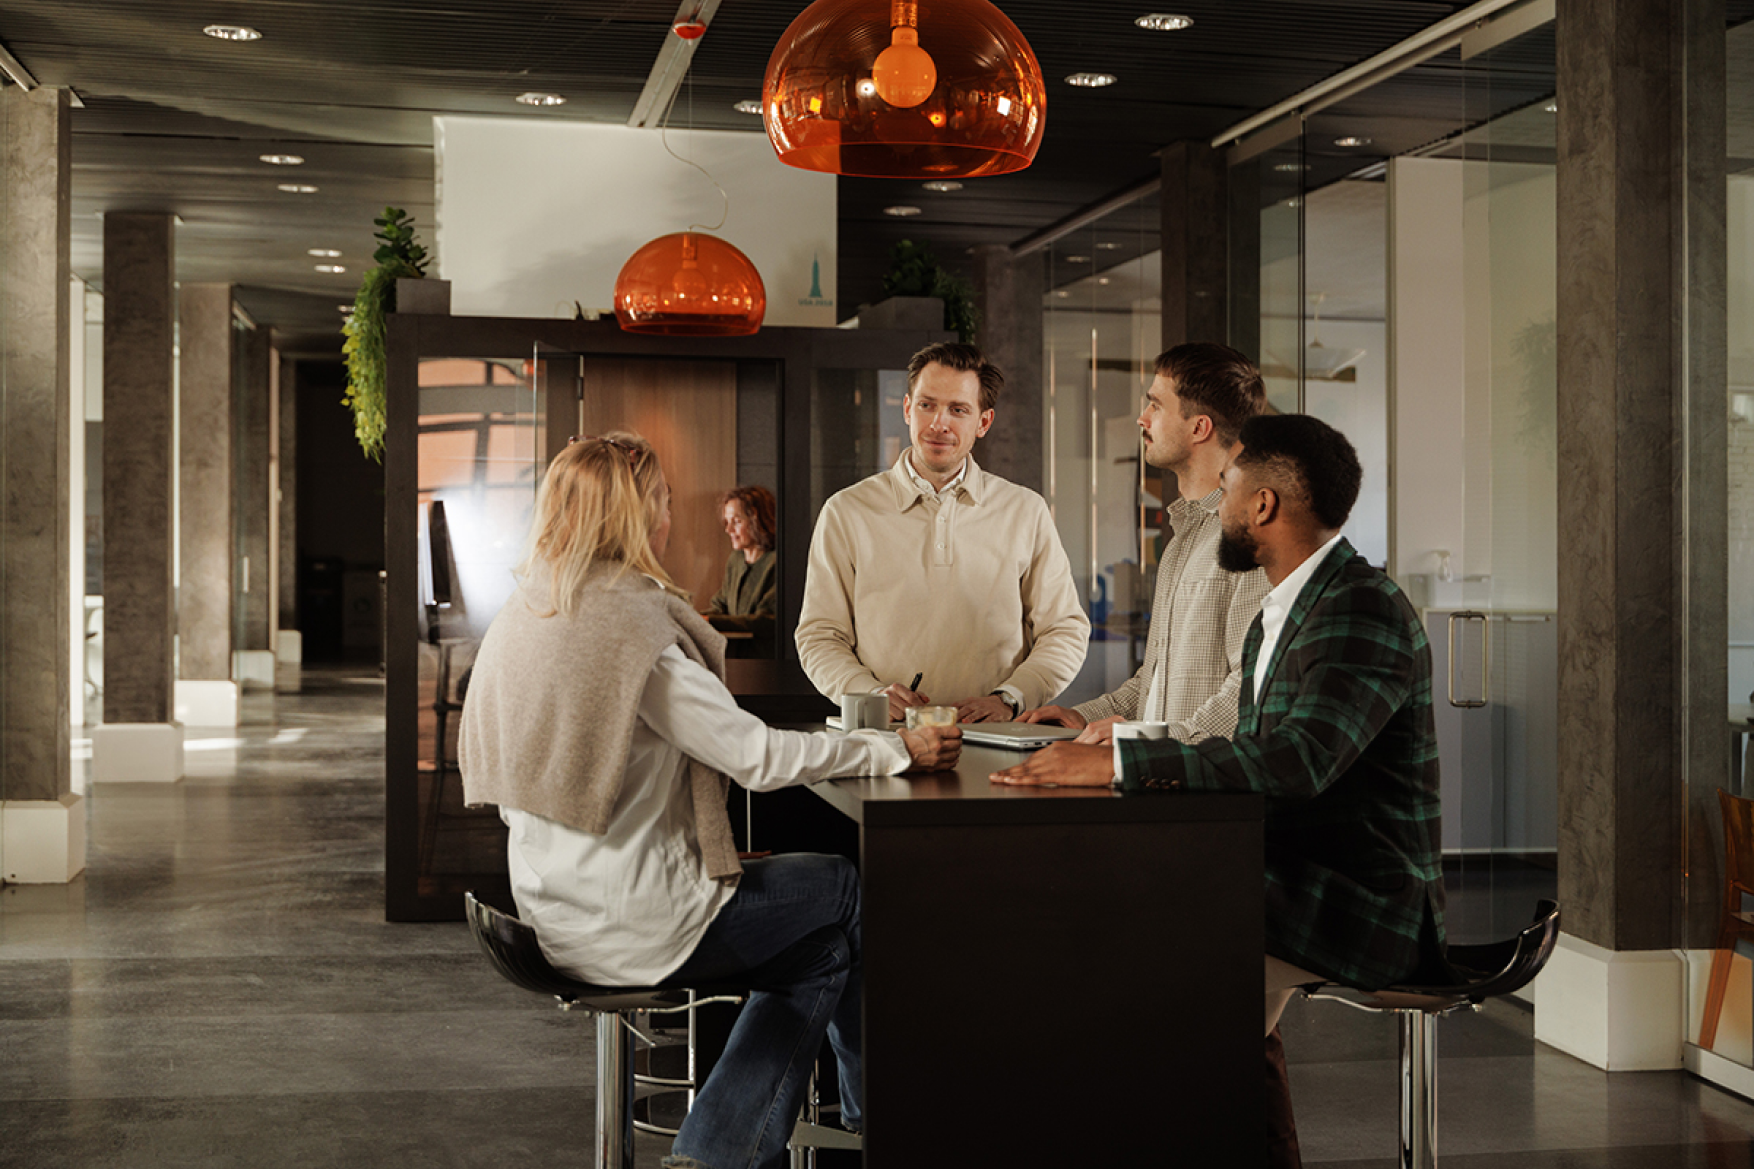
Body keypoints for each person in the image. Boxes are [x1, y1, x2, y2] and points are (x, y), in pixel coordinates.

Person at [459, 432, 960, 1169]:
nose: (670, 516)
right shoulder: (636, 635)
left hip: (548, 905)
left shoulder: (527, 613)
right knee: (845, 886)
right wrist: (895, 748)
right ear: (633, 517)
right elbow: (757, 756)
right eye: (661, 500)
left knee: (821, 952)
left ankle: (713, 1155)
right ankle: (871, 1126)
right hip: (633, 921)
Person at [992, 414, 1448, 1169]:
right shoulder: (1285, 611)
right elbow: (1254, 752)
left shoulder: (1359, 608)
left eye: (1231, 486)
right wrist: (1125, 748)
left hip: (1363, 901)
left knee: (1140, 962)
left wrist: (1119, 766)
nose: (1221, 504)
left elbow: (1297, 762)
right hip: (1293, 877)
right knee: (1129, 933)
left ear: (1263, 504)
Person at [797, 341, 1090, 723]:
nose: (939, 423)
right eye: (926, 405)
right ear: (907, 409)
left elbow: (1064, 630)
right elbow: (819, 636)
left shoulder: (1024, 511)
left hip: (999, 737)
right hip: (885, 739)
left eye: (958, 410)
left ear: (983, 422)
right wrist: (869, 695)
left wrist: (1010, 698)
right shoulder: (846, 512)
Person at [1018, 343, 1271, 745]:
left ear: (1198, 428)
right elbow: (1154, 681)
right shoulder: (1182, 541)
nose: (1142, 418)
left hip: (1202, 793)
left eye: (1155, 405)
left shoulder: (1249, 540)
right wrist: (1082, 718)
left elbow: (1249, 692)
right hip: (1160, 781)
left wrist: (1142, 739)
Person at [704, 484, 777, 630]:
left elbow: (766, 620)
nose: (728, 530)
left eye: (736, 522)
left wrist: (710, 621)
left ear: (757, 521)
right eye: (727, 522)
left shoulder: (777, 563)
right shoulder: (735, 559)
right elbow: (720, 605)